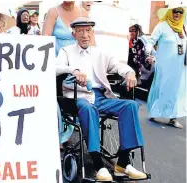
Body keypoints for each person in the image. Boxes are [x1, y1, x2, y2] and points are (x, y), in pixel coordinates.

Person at [56, 17, 146, 181]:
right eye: (80, 31)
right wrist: (73, 70)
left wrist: (129, 73)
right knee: (88, 108)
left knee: (131, 105)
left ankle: (123, 163)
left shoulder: (99, 53)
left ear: (92, 32)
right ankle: (98, 164)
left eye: (88, 30)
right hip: (77, 96)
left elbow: (117, 65)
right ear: (73, 33)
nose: (85, 35)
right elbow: (56, 68)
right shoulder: (66, 51)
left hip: (100, 96)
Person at [146, 3, 187, 129]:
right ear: (169, 12)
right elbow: (151, 41)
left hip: (180, 67)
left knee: (176, 91)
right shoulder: (162, 26)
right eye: (175, 11)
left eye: (180, 12)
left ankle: (172, 118)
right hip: (164, 66)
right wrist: (148, 52)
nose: (177, 14)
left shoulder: (183, 27)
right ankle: (154, 112)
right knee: (161, 88)